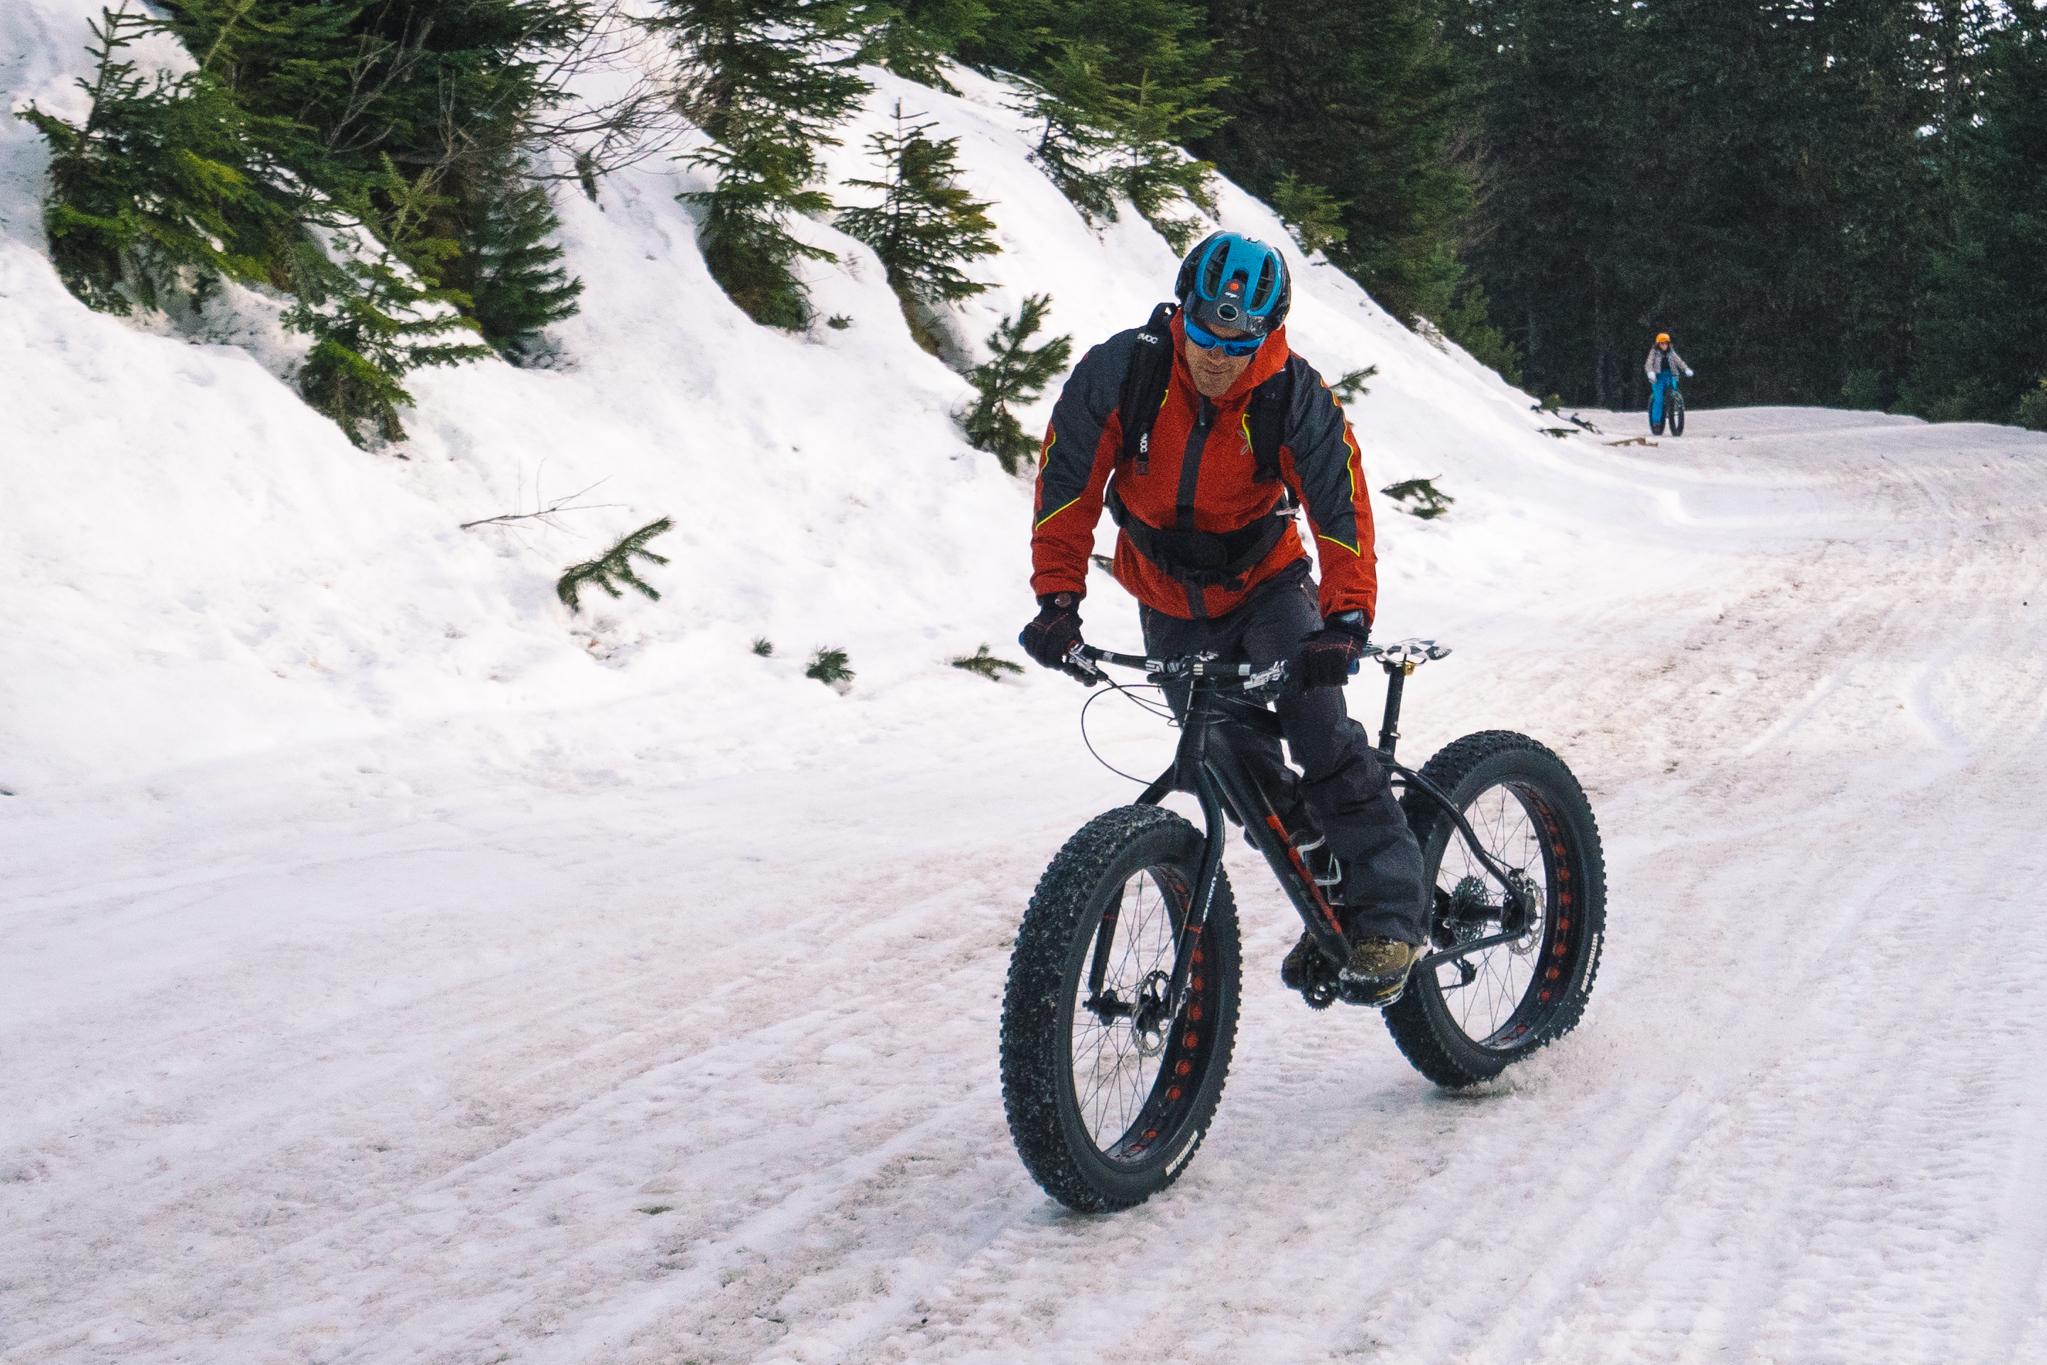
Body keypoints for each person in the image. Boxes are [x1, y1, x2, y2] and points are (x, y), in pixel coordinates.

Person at [1017, 231, 1428, 1008]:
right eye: (1203, 334)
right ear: (1183, 313)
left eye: (1236, 344)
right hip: (1167, 596)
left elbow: (1339, 506)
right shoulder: (1125, 371)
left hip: (1267, 586)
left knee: (1316, 730)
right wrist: (1057, 598)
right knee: (1228, 762)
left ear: (1268, 332)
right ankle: (1323, 884)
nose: (1215, 356)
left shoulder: (1291, 394)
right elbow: (1067, 480)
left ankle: (1390, 916)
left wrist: (1343, 619)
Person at [1645, 332, 1693, 427]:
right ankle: (1656, 422)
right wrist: (1650, 372)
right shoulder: (1654, 352)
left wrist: (1686, 369)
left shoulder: (1671, 353)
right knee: (1658, 398)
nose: (1663, 345)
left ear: (1668, 343)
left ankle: (1675, 406)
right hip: (1658, 376)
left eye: (1665, 343)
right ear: (1658, 344)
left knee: (1673, 391)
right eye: (1661, 343)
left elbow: (1679, 361)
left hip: (1670, 375)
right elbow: (1649, 363)